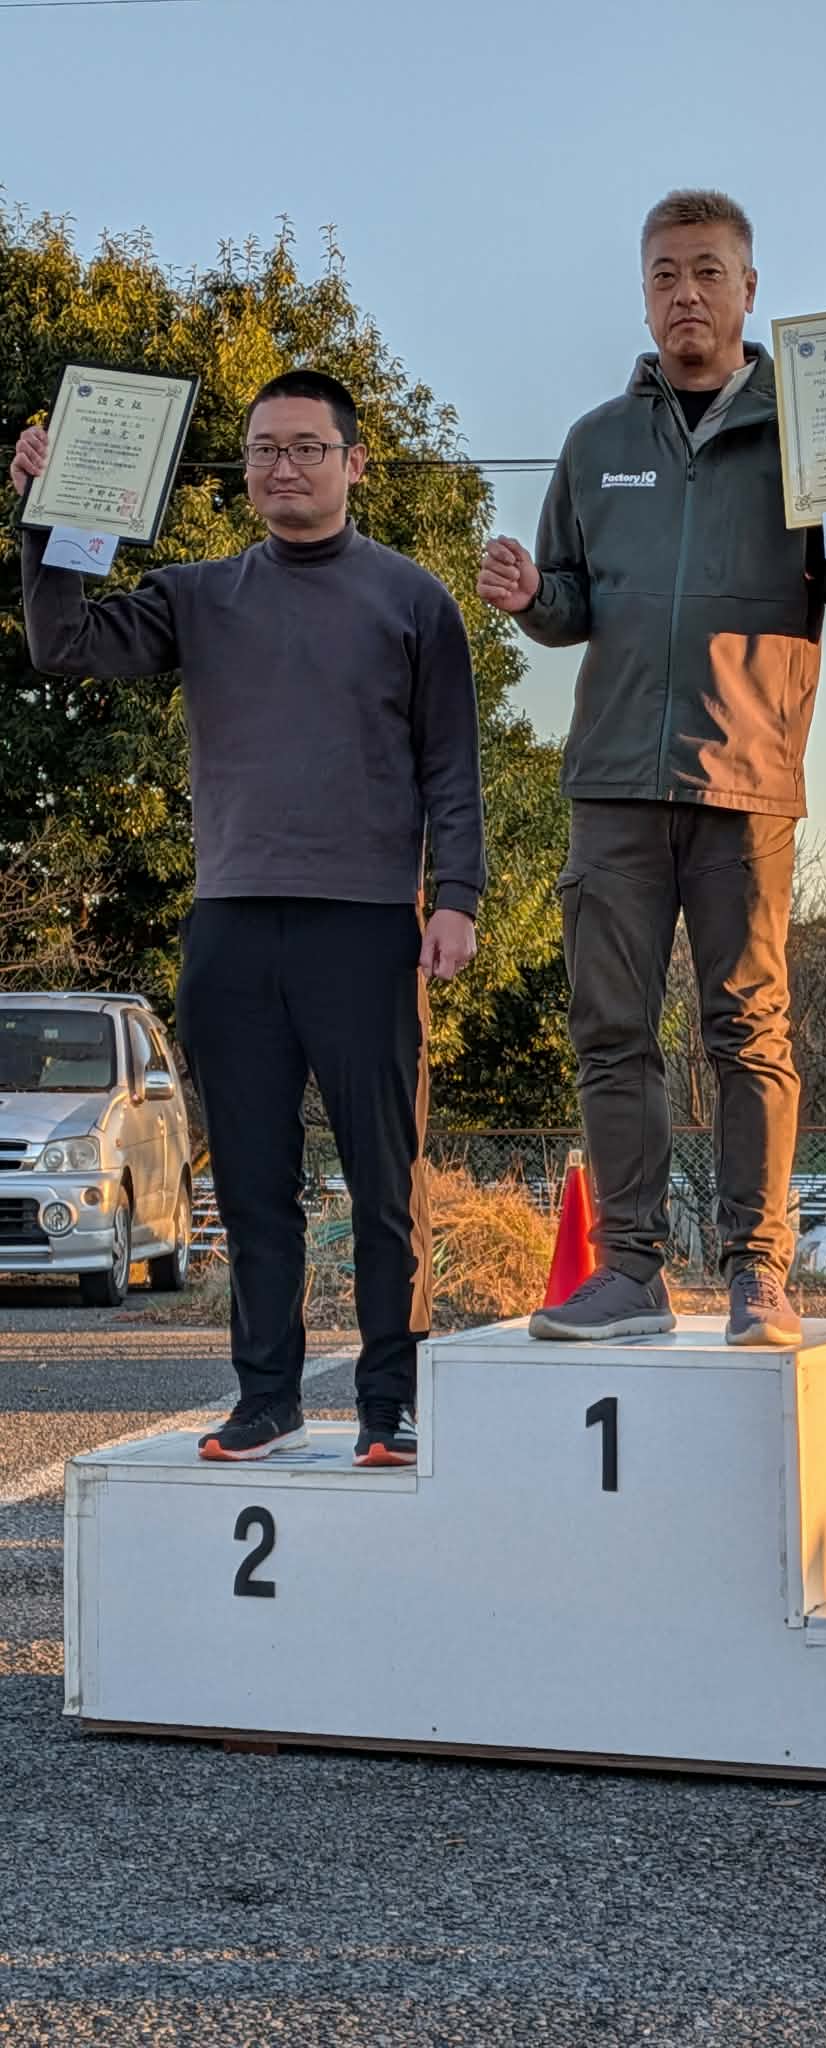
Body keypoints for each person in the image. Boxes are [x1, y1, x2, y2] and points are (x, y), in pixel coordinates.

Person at [478, 189, 826, 1348]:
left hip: (747, 779)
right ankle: (629, 1272)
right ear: (643, 293)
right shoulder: (596, 442)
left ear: (749, 288)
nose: (684, 293)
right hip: (611, 782)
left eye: (707, 271)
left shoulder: (819, 435)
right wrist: (531, 597)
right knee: (610, 1032)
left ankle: (759, 1273)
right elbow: (573, 600)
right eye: (663, 274)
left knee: (749, 1031)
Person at [12, 369, 485, 1464]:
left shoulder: (415, 599)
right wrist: (50, 514)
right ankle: (266, 1395)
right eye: (264, 449)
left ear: (354, 462)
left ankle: (390, 1399)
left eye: (307, 447)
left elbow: (451, 766)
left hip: (366, 922)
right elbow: (64, 641)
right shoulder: (199, 594)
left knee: (385, 1175)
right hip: (230, 920)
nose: (283, 467)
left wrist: (456, 896)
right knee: (254, 1181)